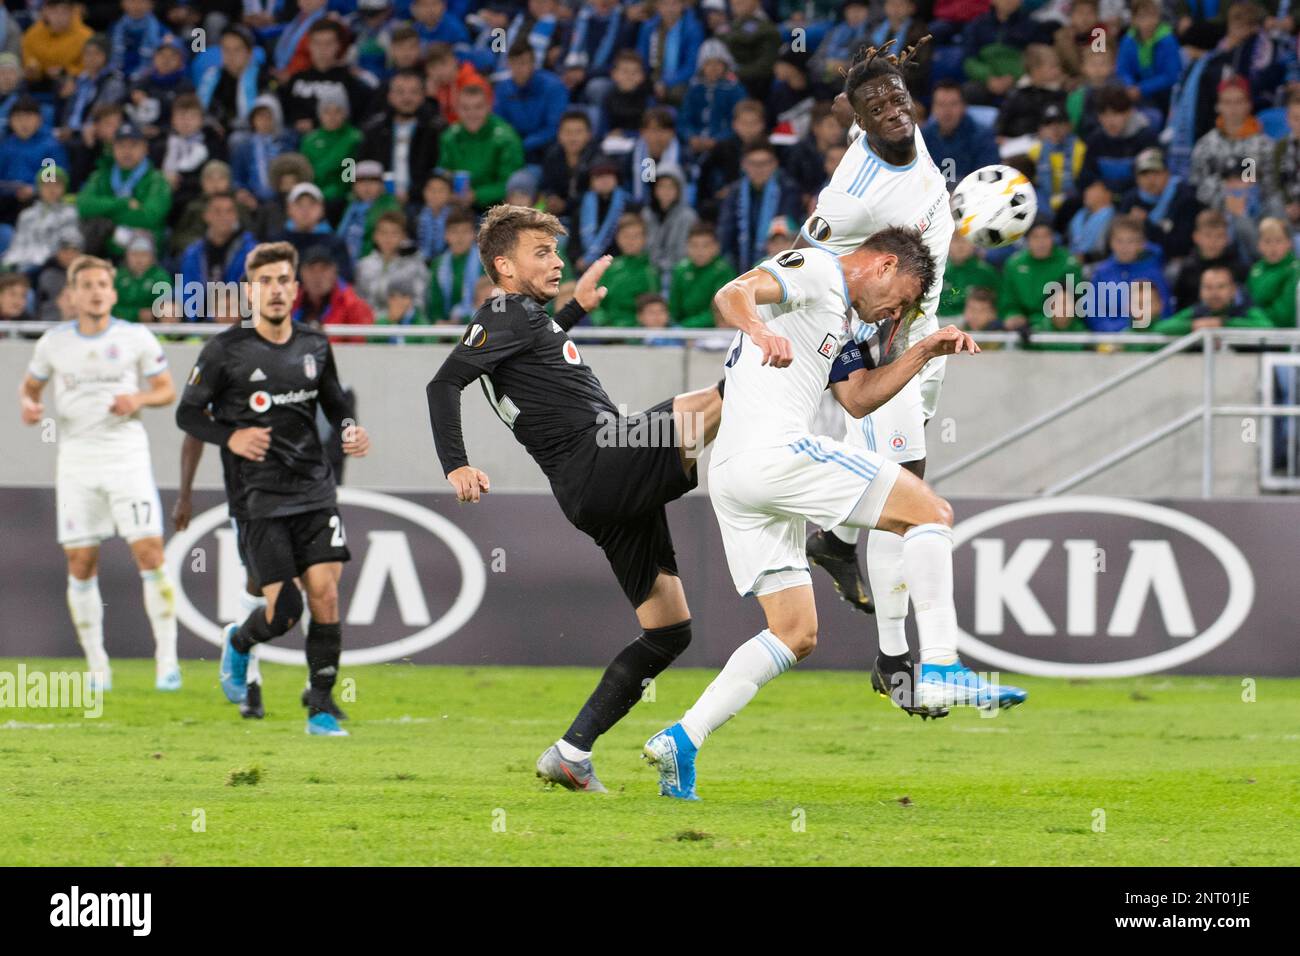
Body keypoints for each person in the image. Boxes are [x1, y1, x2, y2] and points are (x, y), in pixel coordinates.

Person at [642, 228, 986, 800]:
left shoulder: (842, 317)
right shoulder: (818, 269)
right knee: (929, 511)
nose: (895, 312)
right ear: (882, 265)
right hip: (774, 453)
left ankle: (683, 738)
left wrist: (925, 350)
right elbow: (733, 292)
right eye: (900, 298)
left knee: (795, 633)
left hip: (736, 477)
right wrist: (756, 329)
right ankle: (944, 663)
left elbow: (857, 397)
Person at [426, 204, 724, 792]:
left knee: (669, 631)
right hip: (603, 456)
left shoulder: (523, 319)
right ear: (504, 267)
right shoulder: (505, 311)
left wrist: (578, 308)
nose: (557, 260)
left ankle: (570, 752)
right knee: (732, 389)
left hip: (593, 487)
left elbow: (536, 349)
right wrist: (456, 464)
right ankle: (826, 523)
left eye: (556, 251)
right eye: (542, 252)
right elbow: (443, 382)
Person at [794, 41, 1024, 714]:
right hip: (881, 341)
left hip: (923, 334)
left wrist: (862, 84)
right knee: (909, 498)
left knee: (902, 493)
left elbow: (859, 96)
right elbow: (805, 265)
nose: (892, 110)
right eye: (876, 106)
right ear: (859, 123)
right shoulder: (849, 195)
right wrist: (848, 340)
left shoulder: (904, 127)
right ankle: (903, 662)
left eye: (897, 97)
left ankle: (836, 542)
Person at [175, 241, 372, 736]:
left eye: (284, 280)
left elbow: (334, 402)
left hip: (314, 487)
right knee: (284, 612)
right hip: (258, 496)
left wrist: (349, 429)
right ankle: (241, 643)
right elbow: (186, 414)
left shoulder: (314, 343)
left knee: (325, 593)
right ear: (249, 289)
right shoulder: (225, 351)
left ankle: (320, 706)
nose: (277, 290)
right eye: (266, 281)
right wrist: (232, 436)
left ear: (296, 287)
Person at [18, 255, 179, 692]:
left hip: (126, 456)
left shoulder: (136, 338)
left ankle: (167, 660)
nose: (94, 291)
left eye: (101, 284)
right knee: (81, 561)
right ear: (71, 295)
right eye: (85, 285)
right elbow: (31, 387)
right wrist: (30, 406)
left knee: (149, 553)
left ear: (112, 292)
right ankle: (97, 666)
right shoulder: (53, 343)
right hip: (76, 461)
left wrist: (138, 400)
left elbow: (166, 390)